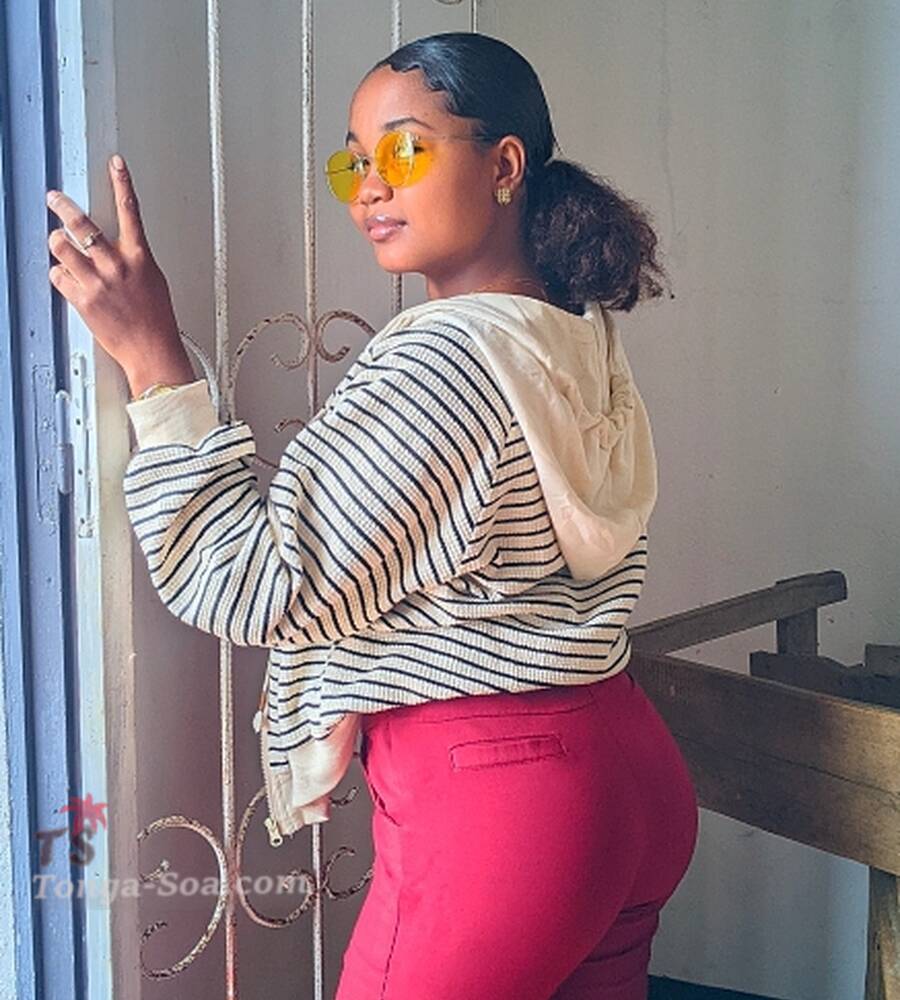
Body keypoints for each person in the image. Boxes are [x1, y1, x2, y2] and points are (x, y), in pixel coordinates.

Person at [45, 29, 698, 1000]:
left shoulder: (445, 362)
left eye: (404, 149)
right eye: (353, 162)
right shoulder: (569, 333)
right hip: (623, 764)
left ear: (504, 165)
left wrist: (154, 364)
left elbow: (255, 585)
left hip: (506, 805)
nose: (369, 189)